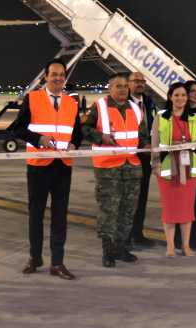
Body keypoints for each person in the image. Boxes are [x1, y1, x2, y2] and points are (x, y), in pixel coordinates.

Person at [9, 58, 83, 280]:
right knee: (36, 215)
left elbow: (77, 133)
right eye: (54, 74)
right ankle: (35, 258)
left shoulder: (72, 103)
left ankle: (57, 263)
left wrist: (74, 144)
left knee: (60, 216)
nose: (58, 78)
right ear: (46, 77)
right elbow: (17, 129)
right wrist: (38, 138)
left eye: (62, 74)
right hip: (39, 166)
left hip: (63, 167)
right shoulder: (33, 99)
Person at [82, 72, 148, 267]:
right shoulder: (100, 107)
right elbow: (85, 129)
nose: (122, 89)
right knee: (109, 211)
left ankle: (121, 248)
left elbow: (141, 135)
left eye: (125, 86)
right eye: (118, 86)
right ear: (110, 88)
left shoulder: (135, 110)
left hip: (132, 167)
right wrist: (100, 137)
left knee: (128, 211)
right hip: (108, 168)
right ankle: (108, 251)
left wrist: (146, 145)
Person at [154, 83, 196, 258]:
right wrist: (156, 165)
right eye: (176, 95)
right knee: (169, 209)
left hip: (189, 168)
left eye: (183, 95)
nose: (180, 98)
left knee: (186, 210)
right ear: (170, 97)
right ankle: (170, 246)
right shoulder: (161, 117)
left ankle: (186, 246)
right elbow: (154, 144)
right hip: (168, 168)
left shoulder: (194, 118)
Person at [174, 80, 196, 250]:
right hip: (182, 165)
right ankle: (179, 240)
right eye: (193, 91)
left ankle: (193, 239)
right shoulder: (179, 113)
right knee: (181, 205)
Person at [128, 71, 159, 249]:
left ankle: (137, 233)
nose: (139, 83)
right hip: (131, 155)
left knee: (142, 198)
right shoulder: (124, 103)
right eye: (135, 81)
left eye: (141, 81)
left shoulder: (149, 102)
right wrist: (143, 143)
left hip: (146, 156)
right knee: (129, 199)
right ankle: (126, 237)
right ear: (129, 83)